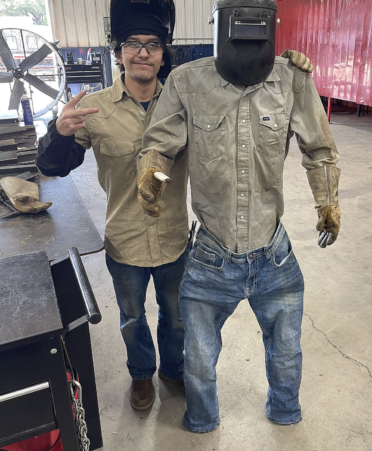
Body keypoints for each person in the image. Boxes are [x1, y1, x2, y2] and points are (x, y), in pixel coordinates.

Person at [137, 0, 340, 433]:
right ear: (218, 26)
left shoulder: (292, 80)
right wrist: (149, 172)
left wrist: (328, 202)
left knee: (286, 351)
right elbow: (160, 142)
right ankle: (202, 418)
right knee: (200, 358)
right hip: (212, 255)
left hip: (274, 255)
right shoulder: (187, 82)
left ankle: (285, 411)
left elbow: (318, 148)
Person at [36, 0, 190, 411]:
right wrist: (59, 132)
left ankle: (174, 370)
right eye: (132, 43)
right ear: (118, 51)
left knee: (176, 316)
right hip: (125, 240)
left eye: (152, 44)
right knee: (133, 317)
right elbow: (54, 166)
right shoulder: (96, 108)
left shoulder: (184, 104)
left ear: (163, 53)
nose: (142, 52)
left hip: (175, 237)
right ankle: (141, 375)